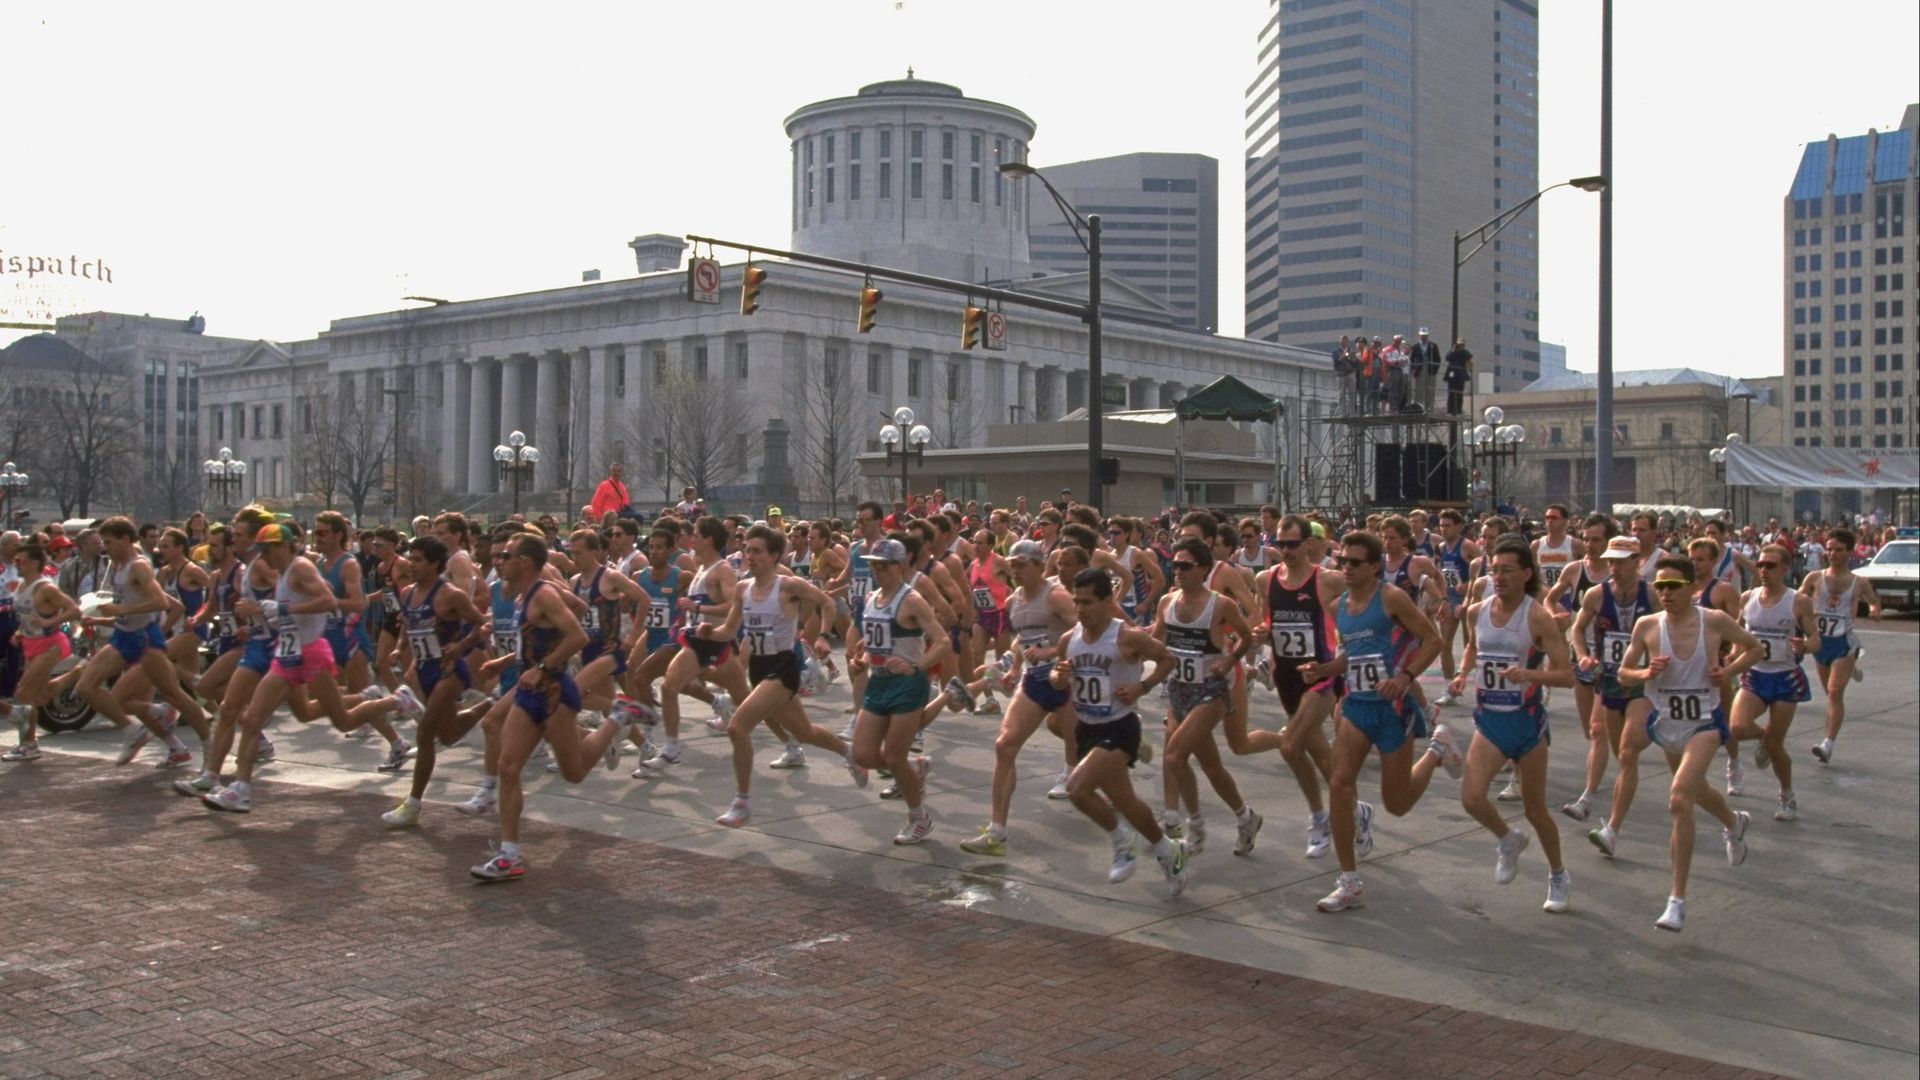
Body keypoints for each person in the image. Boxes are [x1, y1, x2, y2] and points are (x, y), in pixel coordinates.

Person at [470, 533, 645, 882]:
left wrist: (545, 667)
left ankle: (618, 719)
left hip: (553, 693)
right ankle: (509, 855)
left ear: (526, 562)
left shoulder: (544, 594)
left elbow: (578, 636)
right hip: (527, 692)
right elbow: (548, 633)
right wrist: (506, 663)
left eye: (507, 555)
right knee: (507, 766)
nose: (499, 561)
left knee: (575, 772)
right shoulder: (526, 595)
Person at [1613, 555, 1764, 932]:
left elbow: (1754, 648)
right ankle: (1733, 821)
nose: (1665, 593)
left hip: (1704, 723)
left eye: (1673, 586)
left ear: (1691, 589)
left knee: (1679, 799)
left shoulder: (1712, 621)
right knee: (1697, 792)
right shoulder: (1648, 626)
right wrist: (1646, 672)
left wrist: (1727, 671)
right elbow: (1622, 673)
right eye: (1659, 586)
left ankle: (1676, 901)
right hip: (1666, 723)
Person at [1308, 529, 1446, 912]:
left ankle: (1437, 750)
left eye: (1354, 563)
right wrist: (1324, 668)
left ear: (1373, 567)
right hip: (1356, 707)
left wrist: (1404, 678)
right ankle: (1349, 882)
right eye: (1342, 562)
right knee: (1338, 784)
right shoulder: (1339, 606)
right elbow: (1350, 657)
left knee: (1397, 802)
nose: (1345, 568)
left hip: (1393, 709)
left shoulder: (1391, 597)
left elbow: (1432, 640)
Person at [701, 524, 867, 828]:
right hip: (760, 667)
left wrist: (824, 636)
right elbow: (728, 629)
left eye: (758, 551)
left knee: (738, 727)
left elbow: (827, 602)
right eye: (747, 550)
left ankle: (742, 802)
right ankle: (849, 753)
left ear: (775, 555)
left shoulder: (788, 586)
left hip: (784, 667)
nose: (750, 556)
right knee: (804, 732)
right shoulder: (743, 588)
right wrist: (707, 632)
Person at [1448, 539, 1577, 913]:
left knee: (1536, 808)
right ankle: (1507, 839)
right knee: (1472, 798)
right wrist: (1461, 674)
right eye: (1493, 569)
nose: (1498, 576)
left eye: (1506, 570)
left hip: (1526, 722)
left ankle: (1557, 874)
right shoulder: (1478, 611)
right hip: (1490, 719)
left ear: (1526, 573)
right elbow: (1473, 646)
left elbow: (1566, 675)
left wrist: (1528, 674)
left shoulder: (1537, 617)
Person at [1051, 567, 1188, 897]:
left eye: (1088, 602)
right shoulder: (1068, 641)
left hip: (1121, 726)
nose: (1081, 609)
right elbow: (1058, 681)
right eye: (1076, 602)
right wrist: (1059, 676)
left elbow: (1167, 658)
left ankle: (1121, 841)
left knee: (1077, 789)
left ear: (1107, 600)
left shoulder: (1125, 636)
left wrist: (1142, 687)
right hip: (1088, 729)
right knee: (1126, 801)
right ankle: (1169, 851)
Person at [959, 540, 1081, 857]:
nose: (1015, 569)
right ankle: (996, 831)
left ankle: (1109, 748)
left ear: (1040, 566)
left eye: (1022, 563)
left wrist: (1052, 651)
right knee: (1004, 745)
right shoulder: (1014, 601)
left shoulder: (1056, 597)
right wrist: (1014, 666)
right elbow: (1019, 640)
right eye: (1012, 563)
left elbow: (1086, 632)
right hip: (1035, 680)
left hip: (1069, 678)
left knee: (1080, 741)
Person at [1151, 538, 1264, 858]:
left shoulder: (1220, 605)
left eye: (1186, 566)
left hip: (1211, 691)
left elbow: (1244, 636)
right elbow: (1155, 639)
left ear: (1203, 569)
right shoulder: (1167, 602)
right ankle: (1246, 817)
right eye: (1175, 565)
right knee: (1212, 766)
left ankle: (1196, 825)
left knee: (1174, 757)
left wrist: (1230, 661)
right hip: (1179, 691)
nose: (1178, 571)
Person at [75, 517, 209, 769]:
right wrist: (98, 618)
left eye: (109, 542)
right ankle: (138, 730)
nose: (105, 547)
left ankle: (209, 745)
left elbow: (161, 602)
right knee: (86, 687)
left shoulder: (139, 566)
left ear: (126, 540)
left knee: (174, 694)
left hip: (146, 640)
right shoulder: (116, 566)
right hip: (123, 637)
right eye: (103, 542)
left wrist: (122, 608)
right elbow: (126, 609)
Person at [1252, 514, 1345, 858]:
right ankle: (1355, 810)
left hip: (1319, 674)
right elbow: (1266, 619)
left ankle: (1319, 817)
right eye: (1280, 544)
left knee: (1290, 746)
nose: (1286, 551)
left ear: (1309, 544)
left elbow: (1371, 599)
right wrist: (1262, 631)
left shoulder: (1329, 581)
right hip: (1286, 676)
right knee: (1320, 755)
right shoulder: (1265, 580)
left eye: (1292, 544)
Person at [846, 537, 950, 844]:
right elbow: (874, 642)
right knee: (862, 753)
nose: (877, 571)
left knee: (892, 755)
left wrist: (916, 666)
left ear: (900, 565)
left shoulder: (912, 600)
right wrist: (861, 659)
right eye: (873, 565)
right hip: (878, 682)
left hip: (907, 685)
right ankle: (914, 768)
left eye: (883, 565)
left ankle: (919, 817)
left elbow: (942, 641)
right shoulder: (871, 598)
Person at [1730, 544, 1814, 822]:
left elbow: (1816, 638)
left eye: (1771, 565)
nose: (1763, 570)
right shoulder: (1748, 598)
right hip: (1755, 674)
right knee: (1738, 727)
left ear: (1785, 569)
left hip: (1785, 677)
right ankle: (1764, 738)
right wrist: (1731, 656)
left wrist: (1805, 645)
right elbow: (1739, 634)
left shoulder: (1798, 601)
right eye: (1761, 565)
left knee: (1776, 746)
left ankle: (1786, 794)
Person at [1798, 527, 1881, 764]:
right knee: (1830, 693)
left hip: (1843, 641)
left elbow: (1874, 602)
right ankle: (1851, 669)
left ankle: (1827, 744)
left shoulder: (1859, 582)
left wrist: (1874, 611)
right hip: (1819, 642)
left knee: (1835, 693)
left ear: (1849, 552)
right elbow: (1798, 598)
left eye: (1838, 550)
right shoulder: (1814, 577)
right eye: (1829, 549)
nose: (1832, 553)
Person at [3, 542, 83, 762]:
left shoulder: (45, 587)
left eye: (21, 560)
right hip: (30, 643)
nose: (16, 563)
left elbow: (73, 609)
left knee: (22, 693)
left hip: (50, 644)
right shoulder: (20, 585)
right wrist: (19, 632)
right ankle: (77, 673)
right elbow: (27, 616)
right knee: (39, 696)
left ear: (34, 563)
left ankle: (28, 745)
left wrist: (50, 620)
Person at [1411, 327, 1441, 414]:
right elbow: (1412, 359)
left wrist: (1434, 370)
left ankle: (1429, 408)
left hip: (1430, 370)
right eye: (1422, 336)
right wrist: (1414, 370)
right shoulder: (1416, 347)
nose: (1424, 337)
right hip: (1420, 371)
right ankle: (1419, 408)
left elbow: (1438, 359)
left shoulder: (1433, 346)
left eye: (1425, 336)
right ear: (1419, 336)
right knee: (1419, 390)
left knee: (1430, 390)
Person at [1444, 339, 1473, 416]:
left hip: (1460, 375)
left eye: (1462, 345)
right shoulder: (1452, 352)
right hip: (1452, 373)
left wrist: (1469, 365)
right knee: (1451, 393)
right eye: (1459, 345)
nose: (1460, 346)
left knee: (1460, 393)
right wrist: (1453, 350)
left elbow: (1469, 360)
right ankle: (1450, 410)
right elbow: (1447, 358)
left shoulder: (1465, 353)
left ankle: (1459, 410)